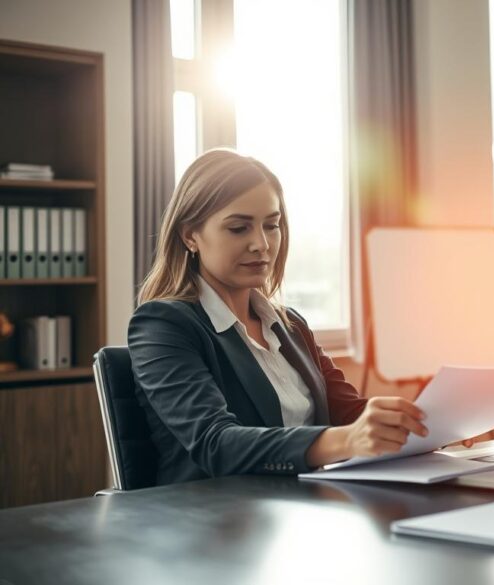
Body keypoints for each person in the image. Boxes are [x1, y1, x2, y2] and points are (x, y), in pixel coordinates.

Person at [129, 149, 438, 486]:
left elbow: (348, 413)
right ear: (190, 236)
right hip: (219, 518)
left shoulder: (289, 325)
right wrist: (346, 440)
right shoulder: (163, 325)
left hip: (306, 503)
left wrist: (429, 425)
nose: (261, 244)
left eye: (272, 226)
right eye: (238, 228)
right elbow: (215, 444)